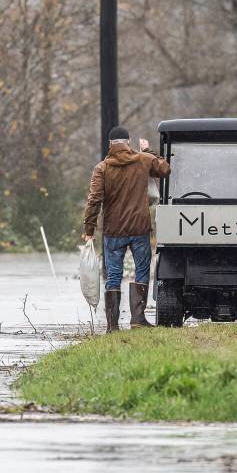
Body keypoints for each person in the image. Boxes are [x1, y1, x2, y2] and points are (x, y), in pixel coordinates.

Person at [83, 126, 171, 332]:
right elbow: (165, 169)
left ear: (110, 144)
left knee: (113, 275)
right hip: (139, 227)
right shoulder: (143, 160)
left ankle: (113, 326)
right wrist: (148, 151)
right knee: (141, 271)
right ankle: (137, 319)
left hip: (113, 230)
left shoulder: (102, 168)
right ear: (128, 142)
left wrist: (89, 229)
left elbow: (94, 200)